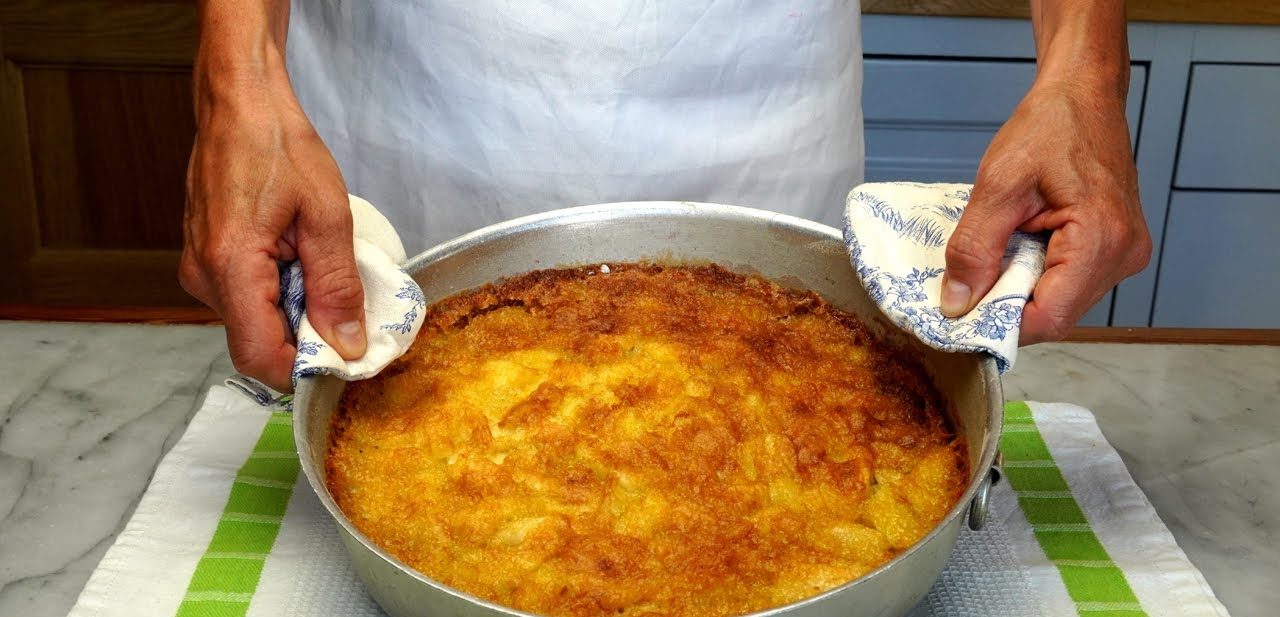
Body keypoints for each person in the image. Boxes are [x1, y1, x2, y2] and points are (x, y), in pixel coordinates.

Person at [180, 1, 1152, 392]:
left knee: (786, 417)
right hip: (417, 95)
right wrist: (239, 81)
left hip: (758, 88)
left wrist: (1081, 69)